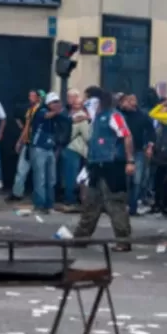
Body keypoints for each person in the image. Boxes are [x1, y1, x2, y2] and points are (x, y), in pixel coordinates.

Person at [71, 88, 134, 251]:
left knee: (115, 204)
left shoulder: (114, 116)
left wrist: (130, 161)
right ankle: (80, 238)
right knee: (91, 203)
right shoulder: (96, 118)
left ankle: (123, 240)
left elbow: (126, 136)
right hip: (96, 166)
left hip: (112, 166)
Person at [28, 92, 68, 214]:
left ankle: (49, 205)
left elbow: (68, 120)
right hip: (39, 148)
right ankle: (39, 205)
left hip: (50, 149)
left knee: (51, 179)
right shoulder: (41, 111)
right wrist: (58, 111)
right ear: (48, 103)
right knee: (40, 178)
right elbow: (46, 116)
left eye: (58, 102)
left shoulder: (56, 115)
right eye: (54, 102)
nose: (56, 105)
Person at [119, 93, 155, 216]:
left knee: (137, 180)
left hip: (138, 150)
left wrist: (150, 146)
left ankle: (133, 205)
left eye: (132, 100)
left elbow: (151, 132)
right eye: (127, 100)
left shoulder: (142, 116)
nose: (129, 103)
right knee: (125, 180)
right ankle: (124, 205)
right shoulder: (120, 115)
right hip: (122, 150)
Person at [9, 90, 44, 203]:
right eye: (30, 96)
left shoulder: (43, 111)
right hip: (28, 143)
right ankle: (17, 193)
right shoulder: (30, 110)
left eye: (33, 96)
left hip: (39, 145)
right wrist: (20, 141)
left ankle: (40, 197)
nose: (30, 98)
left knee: (39, 172)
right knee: (22, 169)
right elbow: (26, 127)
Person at [58, 89, 90, 213]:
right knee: (72, 176)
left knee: (68, 175)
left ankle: (69, 198)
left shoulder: (69, 115)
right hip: (75, 149)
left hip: (68, 148)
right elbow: (87, 137)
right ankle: (70, 200)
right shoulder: (81, 117)